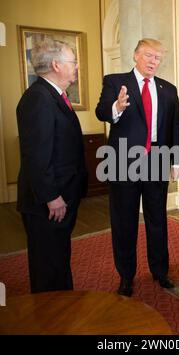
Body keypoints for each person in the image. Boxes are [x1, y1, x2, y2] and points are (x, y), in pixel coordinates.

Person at [96, 38, 179, 297]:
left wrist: (177, 160)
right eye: (148, 55)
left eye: (158, 57)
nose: (153, 61)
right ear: (135, 56)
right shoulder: (115, 81)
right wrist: (116, 107)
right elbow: (101, 111)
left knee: (158, 218)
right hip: (124, 160)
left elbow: (176, 126)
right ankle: (126, 276)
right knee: (125, 220)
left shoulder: (168, 89)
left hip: (157, 159)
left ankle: (160, 271)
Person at [16, 39, 88, 293]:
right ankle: (49, 318)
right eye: (73, 61)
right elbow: (36, 155)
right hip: (48, 201)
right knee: (47, 264)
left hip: (61, 195)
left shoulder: (54, 95)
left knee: (58, 257)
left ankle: (63, 308)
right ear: (57, 65)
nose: (77, 67)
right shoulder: (38, 99)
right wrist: (51, 196)